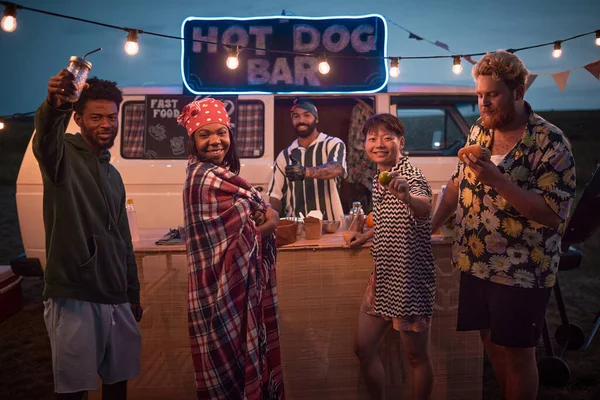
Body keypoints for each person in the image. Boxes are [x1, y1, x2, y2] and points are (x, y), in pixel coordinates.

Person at [431, 50, 576, 400]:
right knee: (490, 343)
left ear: (518, 92)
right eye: (479, 95)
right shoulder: (481, 130)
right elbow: (456, 183)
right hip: (475, 262)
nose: (483, 103)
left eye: (492, 94)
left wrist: (500, 182)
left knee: (519, 355)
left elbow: (553, 214)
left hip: (522, 269)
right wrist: (431, 225)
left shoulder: (550, 142)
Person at [34, 70, 143, 400]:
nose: (106, 124)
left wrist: (132, 292)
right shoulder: (61, 157)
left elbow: (122, 239)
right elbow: (46, 136)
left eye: (112, 116)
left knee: (118, 385)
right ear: (78, 118)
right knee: (75, 392)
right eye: (96, 117)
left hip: (115, 296)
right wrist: (55, 103)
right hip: (74, 294)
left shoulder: (114, 175)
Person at [178, 98, 285, 399]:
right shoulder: (201, 178)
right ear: (193, 141)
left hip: (235, 289)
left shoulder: (222, 176)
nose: (215, 141)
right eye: (205, 134)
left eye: (221, 133)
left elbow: (253, 217)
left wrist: (263, 216)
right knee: (224, 362)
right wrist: (270, 220)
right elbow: (254, 223)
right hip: (213, 291)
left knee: (239, 357)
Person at [345, 114, 436, 400]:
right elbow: (388, 220)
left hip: (409, 281)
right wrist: (366, 236)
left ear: (401, 142)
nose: (379, 144)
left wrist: (407, 196)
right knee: (363, 347)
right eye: (372, 138)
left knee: (416, 357)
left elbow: (424, 207)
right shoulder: (378, 178)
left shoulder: (409, 175)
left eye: (387, 137)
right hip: (383, 278)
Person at [267, 98, 347, 221]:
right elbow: (275, 196)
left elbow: (336, 169)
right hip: (296, 228)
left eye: (307, 115)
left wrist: (305, 172)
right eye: (296, 116)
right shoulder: (284, 155)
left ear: (316, 118)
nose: (301, 120)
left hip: (331, 224)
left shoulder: (332, 144)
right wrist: (272, 222)